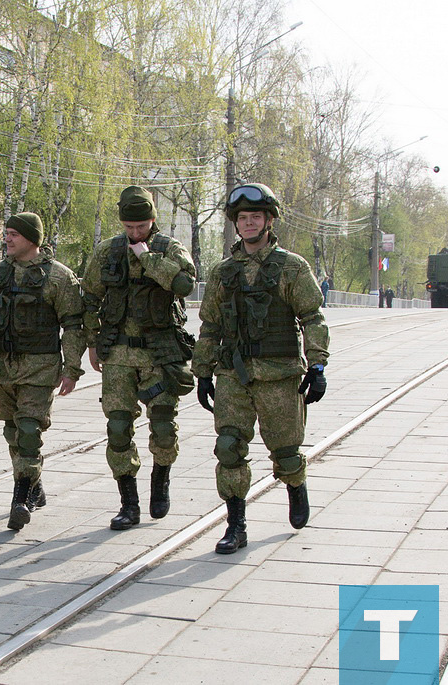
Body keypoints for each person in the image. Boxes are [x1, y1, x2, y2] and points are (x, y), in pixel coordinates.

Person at [192, 183, 329, 555]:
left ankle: (295, 486)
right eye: (242, 218)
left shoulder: (291, 267)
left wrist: (316, 365)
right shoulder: (223, 272)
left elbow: (312, 318)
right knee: (228, 448)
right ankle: (236, 525)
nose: (248, 224)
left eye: (255, 217)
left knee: (285, 452)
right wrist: (203, 371)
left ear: (269, 221)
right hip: (234, 376)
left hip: (280, 376)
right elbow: (211, 326)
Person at [82, 186, 196, 531]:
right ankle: (128, 504)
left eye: (141, 226)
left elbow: (184, 284)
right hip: (117, 352)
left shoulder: (169, 248)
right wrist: (92, 341)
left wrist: (147, 256)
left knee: (162, 425)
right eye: (129, 227)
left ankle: (160, 481)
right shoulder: (107, 252)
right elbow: (88, 296)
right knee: (118, 428)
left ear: (152, 221)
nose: (135, 233)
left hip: (159, 353)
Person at [0, 213, 85, 530]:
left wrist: (71, 369)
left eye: (13, 235)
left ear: (32, 239)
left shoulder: (59, 278)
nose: (7, 239)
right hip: (1, 370)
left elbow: (74, 326)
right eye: (6, 233)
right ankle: (34, 485)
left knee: (29, 433)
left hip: (40, 369)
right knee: (13, 432)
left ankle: (20, 499)